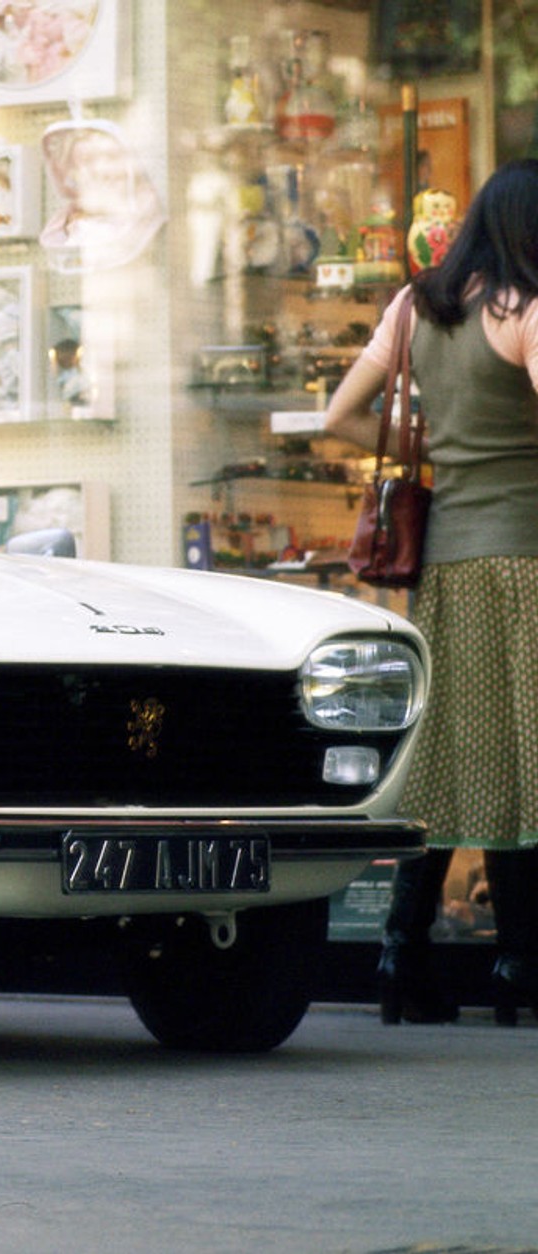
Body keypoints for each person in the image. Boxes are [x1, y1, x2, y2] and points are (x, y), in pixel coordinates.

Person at [322, 158, 538, 1026]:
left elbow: (340, 414)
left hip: (444, 562)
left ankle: (399, 956)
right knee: (526, 764)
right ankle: (519, 965)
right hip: (526, 561)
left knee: (450, 760)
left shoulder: (416, 307)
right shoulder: (523, 309)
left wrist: (438, 457)